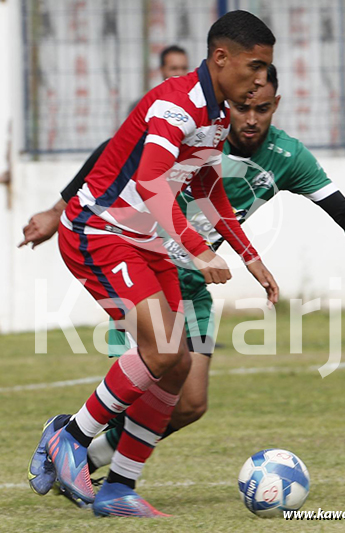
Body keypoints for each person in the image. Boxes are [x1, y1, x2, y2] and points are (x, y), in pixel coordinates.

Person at [22, 63, 345, 507]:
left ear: (277, 105)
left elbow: (338, 205)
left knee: (190, 401)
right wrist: (55, 208)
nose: (251, 117)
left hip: (193, 281)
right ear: (229, 94)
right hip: (138, 256)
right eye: (243, 106)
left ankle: (108, 477)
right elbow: (115, 155)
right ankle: (71, 440)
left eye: (263, 107)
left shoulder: (285, 155)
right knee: (152, 368)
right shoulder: (185, 122)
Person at [25, 10, 278, 518]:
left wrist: (249, 256)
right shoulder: (177, 106)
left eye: (265, 69)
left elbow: (205, 188)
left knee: (177, 365)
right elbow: (149, 182)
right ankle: (70, 437)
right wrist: (196, 247)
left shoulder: (218, 118)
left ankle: (119, 487)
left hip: (143, 239)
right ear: (221, 58)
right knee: (162, 352)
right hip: (98, 230)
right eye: (254, 66)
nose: (260, 79)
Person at [127, 45, 189, 113]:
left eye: (184, 68)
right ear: (162, 69)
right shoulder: (144, 104)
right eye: (173, 68)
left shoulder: (196, 103)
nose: (180, 73)